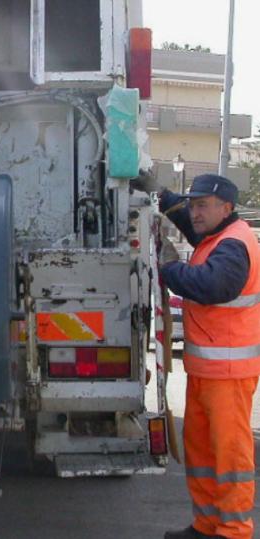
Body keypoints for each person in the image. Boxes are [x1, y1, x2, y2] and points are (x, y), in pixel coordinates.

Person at [143, 173, 259, 539]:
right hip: (209, 370)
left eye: (203, 205)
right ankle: (207, 525)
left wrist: (170, 270)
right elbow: (187, 219)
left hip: (228, 373)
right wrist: (163, 198)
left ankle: (234, 530)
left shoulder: (233, 244)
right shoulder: (217, 235)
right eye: (193, 205)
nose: (195, 213)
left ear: (227, 208)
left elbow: (213, 286)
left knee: (229, 458)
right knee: (203, 454)